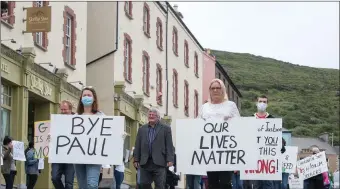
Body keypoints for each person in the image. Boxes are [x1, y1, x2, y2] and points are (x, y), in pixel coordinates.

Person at [198, 78, 240, 189]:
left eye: (218, 88)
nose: (215, 90)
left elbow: (239, 127)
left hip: (226, 151)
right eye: (213, 88)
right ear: (210, 90)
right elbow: (198, 126)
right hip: (209, 152)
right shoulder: (204, 107)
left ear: (223, 90)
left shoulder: (231, 105)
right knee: (212, 183)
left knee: (225, 183)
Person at [133, 108, 174, 189]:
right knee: (143, 184)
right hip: (145, 162)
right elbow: (137, 145)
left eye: (153, 115)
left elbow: (169, 145)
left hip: (160, 162)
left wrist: (170, 159)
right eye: (150, 115)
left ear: (158, 117)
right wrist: (136, 159)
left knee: (159, 185)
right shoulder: (142, 129)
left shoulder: (165, 128)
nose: (151, 116)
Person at [74, 86, 105, 189]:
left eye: (89, 95)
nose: (86, 97)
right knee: (83, 186)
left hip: (94, 156)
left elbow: (108, 133)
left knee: (92, 185)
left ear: (94, 98)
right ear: (81, 98)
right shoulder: (75, 117)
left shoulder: (101, 116)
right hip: (79, 157)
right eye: (84, 95)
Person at [52, 100, 75, 189]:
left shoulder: (77, 121)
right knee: (54, 177)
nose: (63, 112)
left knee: (69, 183)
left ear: (70, 109)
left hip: (71, 156)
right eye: (61, 109)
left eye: (65, 109)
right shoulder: (56, 120)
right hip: (58, 155)